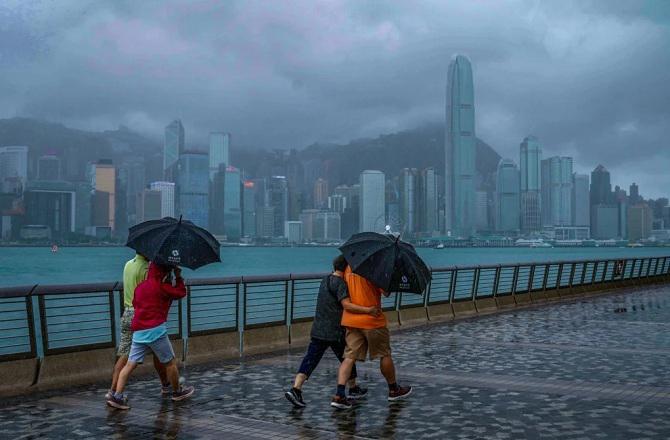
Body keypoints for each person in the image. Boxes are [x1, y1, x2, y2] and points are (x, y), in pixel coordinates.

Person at [285, 254, 378, 408]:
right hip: (335, 332)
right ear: (346, 268)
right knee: (348, 358)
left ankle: (296, 389)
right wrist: (368, 310)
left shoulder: (325, 280)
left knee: (311, 360)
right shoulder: (341, 284)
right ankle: (350, 390)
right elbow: (347, 305)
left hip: (318, 329)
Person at [107, 263, 195, 410]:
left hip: (138, 331)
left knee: (129, 365)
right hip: (156, 331)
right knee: (170, 363)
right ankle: (177, 392)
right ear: (164, 273)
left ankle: (117, 396)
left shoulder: (140, 287)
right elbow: (181, 293)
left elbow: (135, 302)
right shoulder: (162, 287)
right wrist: (178, 277)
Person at [331, 266, 412, 410]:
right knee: (384, 354)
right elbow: (386, 292)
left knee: (349, 357)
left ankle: (339, 394)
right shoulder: (375, 270)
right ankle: (394, 389)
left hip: (351, 320)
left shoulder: (348, 268)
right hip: (372, 320)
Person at [106, 253, 169, 400]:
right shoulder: (146, 269)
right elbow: (152, 290)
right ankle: (165, 385)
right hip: (141, 314)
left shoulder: (128, 264)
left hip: (127, 312)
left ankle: (112, 390)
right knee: (154, 351)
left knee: (125, 353)